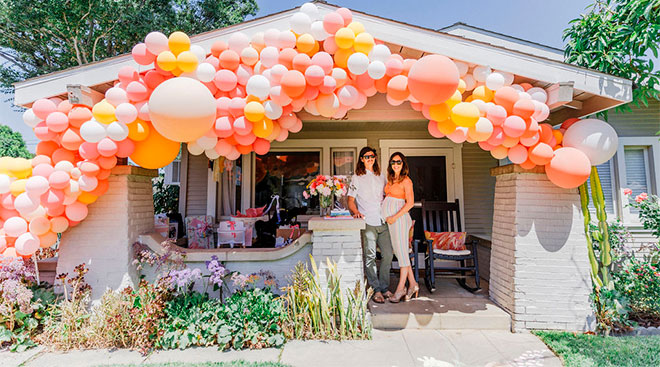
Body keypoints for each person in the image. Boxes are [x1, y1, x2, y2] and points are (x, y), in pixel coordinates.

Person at [347, 147, 393, 304]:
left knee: (388, 254)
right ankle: (376, 290)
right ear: (361, 159)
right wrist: (356, 213)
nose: (370, 159)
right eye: (366, 157)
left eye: (372, 156)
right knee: (370, 257)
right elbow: (351, 201)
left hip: (383, 221)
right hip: (368, 222)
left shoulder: (381, 176)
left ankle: (385, 287)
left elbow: (387, 196)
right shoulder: (357, 178)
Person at [382, 152, 419, 303]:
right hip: (391, 221)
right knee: (399, 252)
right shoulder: (391, 179)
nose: (395, 164)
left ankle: (400, 289)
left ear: (403, 164)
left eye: (398, 162)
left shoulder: (406, 181)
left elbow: (410, 203)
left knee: (402, 253)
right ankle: (414, 285)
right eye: (393, 162)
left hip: (399, 220)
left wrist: (394, 217)